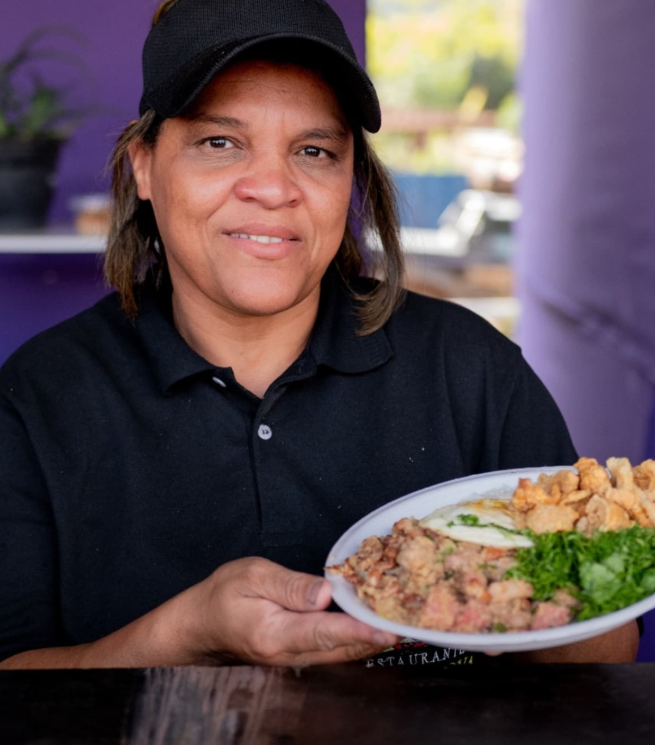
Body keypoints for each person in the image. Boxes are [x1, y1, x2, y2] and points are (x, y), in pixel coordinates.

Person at [0, 0, 638, 670]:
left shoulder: (469, 369)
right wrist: (186, 632)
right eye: (220, 143)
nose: (273, 188)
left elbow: (609, 649)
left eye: (313, 151)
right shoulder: (41, 397)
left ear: (350, 177)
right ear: (144, 166)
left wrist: (486, 584)